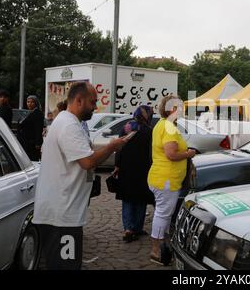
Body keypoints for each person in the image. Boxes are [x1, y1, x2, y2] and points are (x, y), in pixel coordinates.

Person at [32, 82, 128, 270]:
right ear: (78, 100)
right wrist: (111, 146)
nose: (95, 106)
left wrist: (108, 146)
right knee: (66, 267)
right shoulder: (69, 125)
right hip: (61, 216)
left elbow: (85, 152)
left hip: (63, 213)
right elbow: (88, 162)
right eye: (92, 102)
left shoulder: (67, 122)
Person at [147, 95, 196, 265]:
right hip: (166, 178)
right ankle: (156, 250)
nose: (183, 110)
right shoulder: (168, 127)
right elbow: (171, 154)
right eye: (180, 107)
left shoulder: (162, 124)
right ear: (172, 109)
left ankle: (163, 247)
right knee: (163, 214)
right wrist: (188, 154)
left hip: (162, 177)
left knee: (164, 214)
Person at [113, 105, 155, 243]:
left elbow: (118, 147)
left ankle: (128, 229)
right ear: (147, 116)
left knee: (128, 199)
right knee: (140, 198)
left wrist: (117, 165)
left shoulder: (126, 127)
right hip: (143, 169)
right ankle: (137, 227)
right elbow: (151, 153)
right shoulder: (149, 131)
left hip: (126, 168)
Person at [17, 95, 45, 161]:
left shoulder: (38, 113)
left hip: (32, 143)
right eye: (28, 102)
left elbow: (38, 128)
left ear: (36, 103)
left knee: (32, 160)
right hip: (26, 142)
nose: (29, 104)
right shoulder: (30, 113)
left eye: (32, 102)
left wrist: (38, 143)